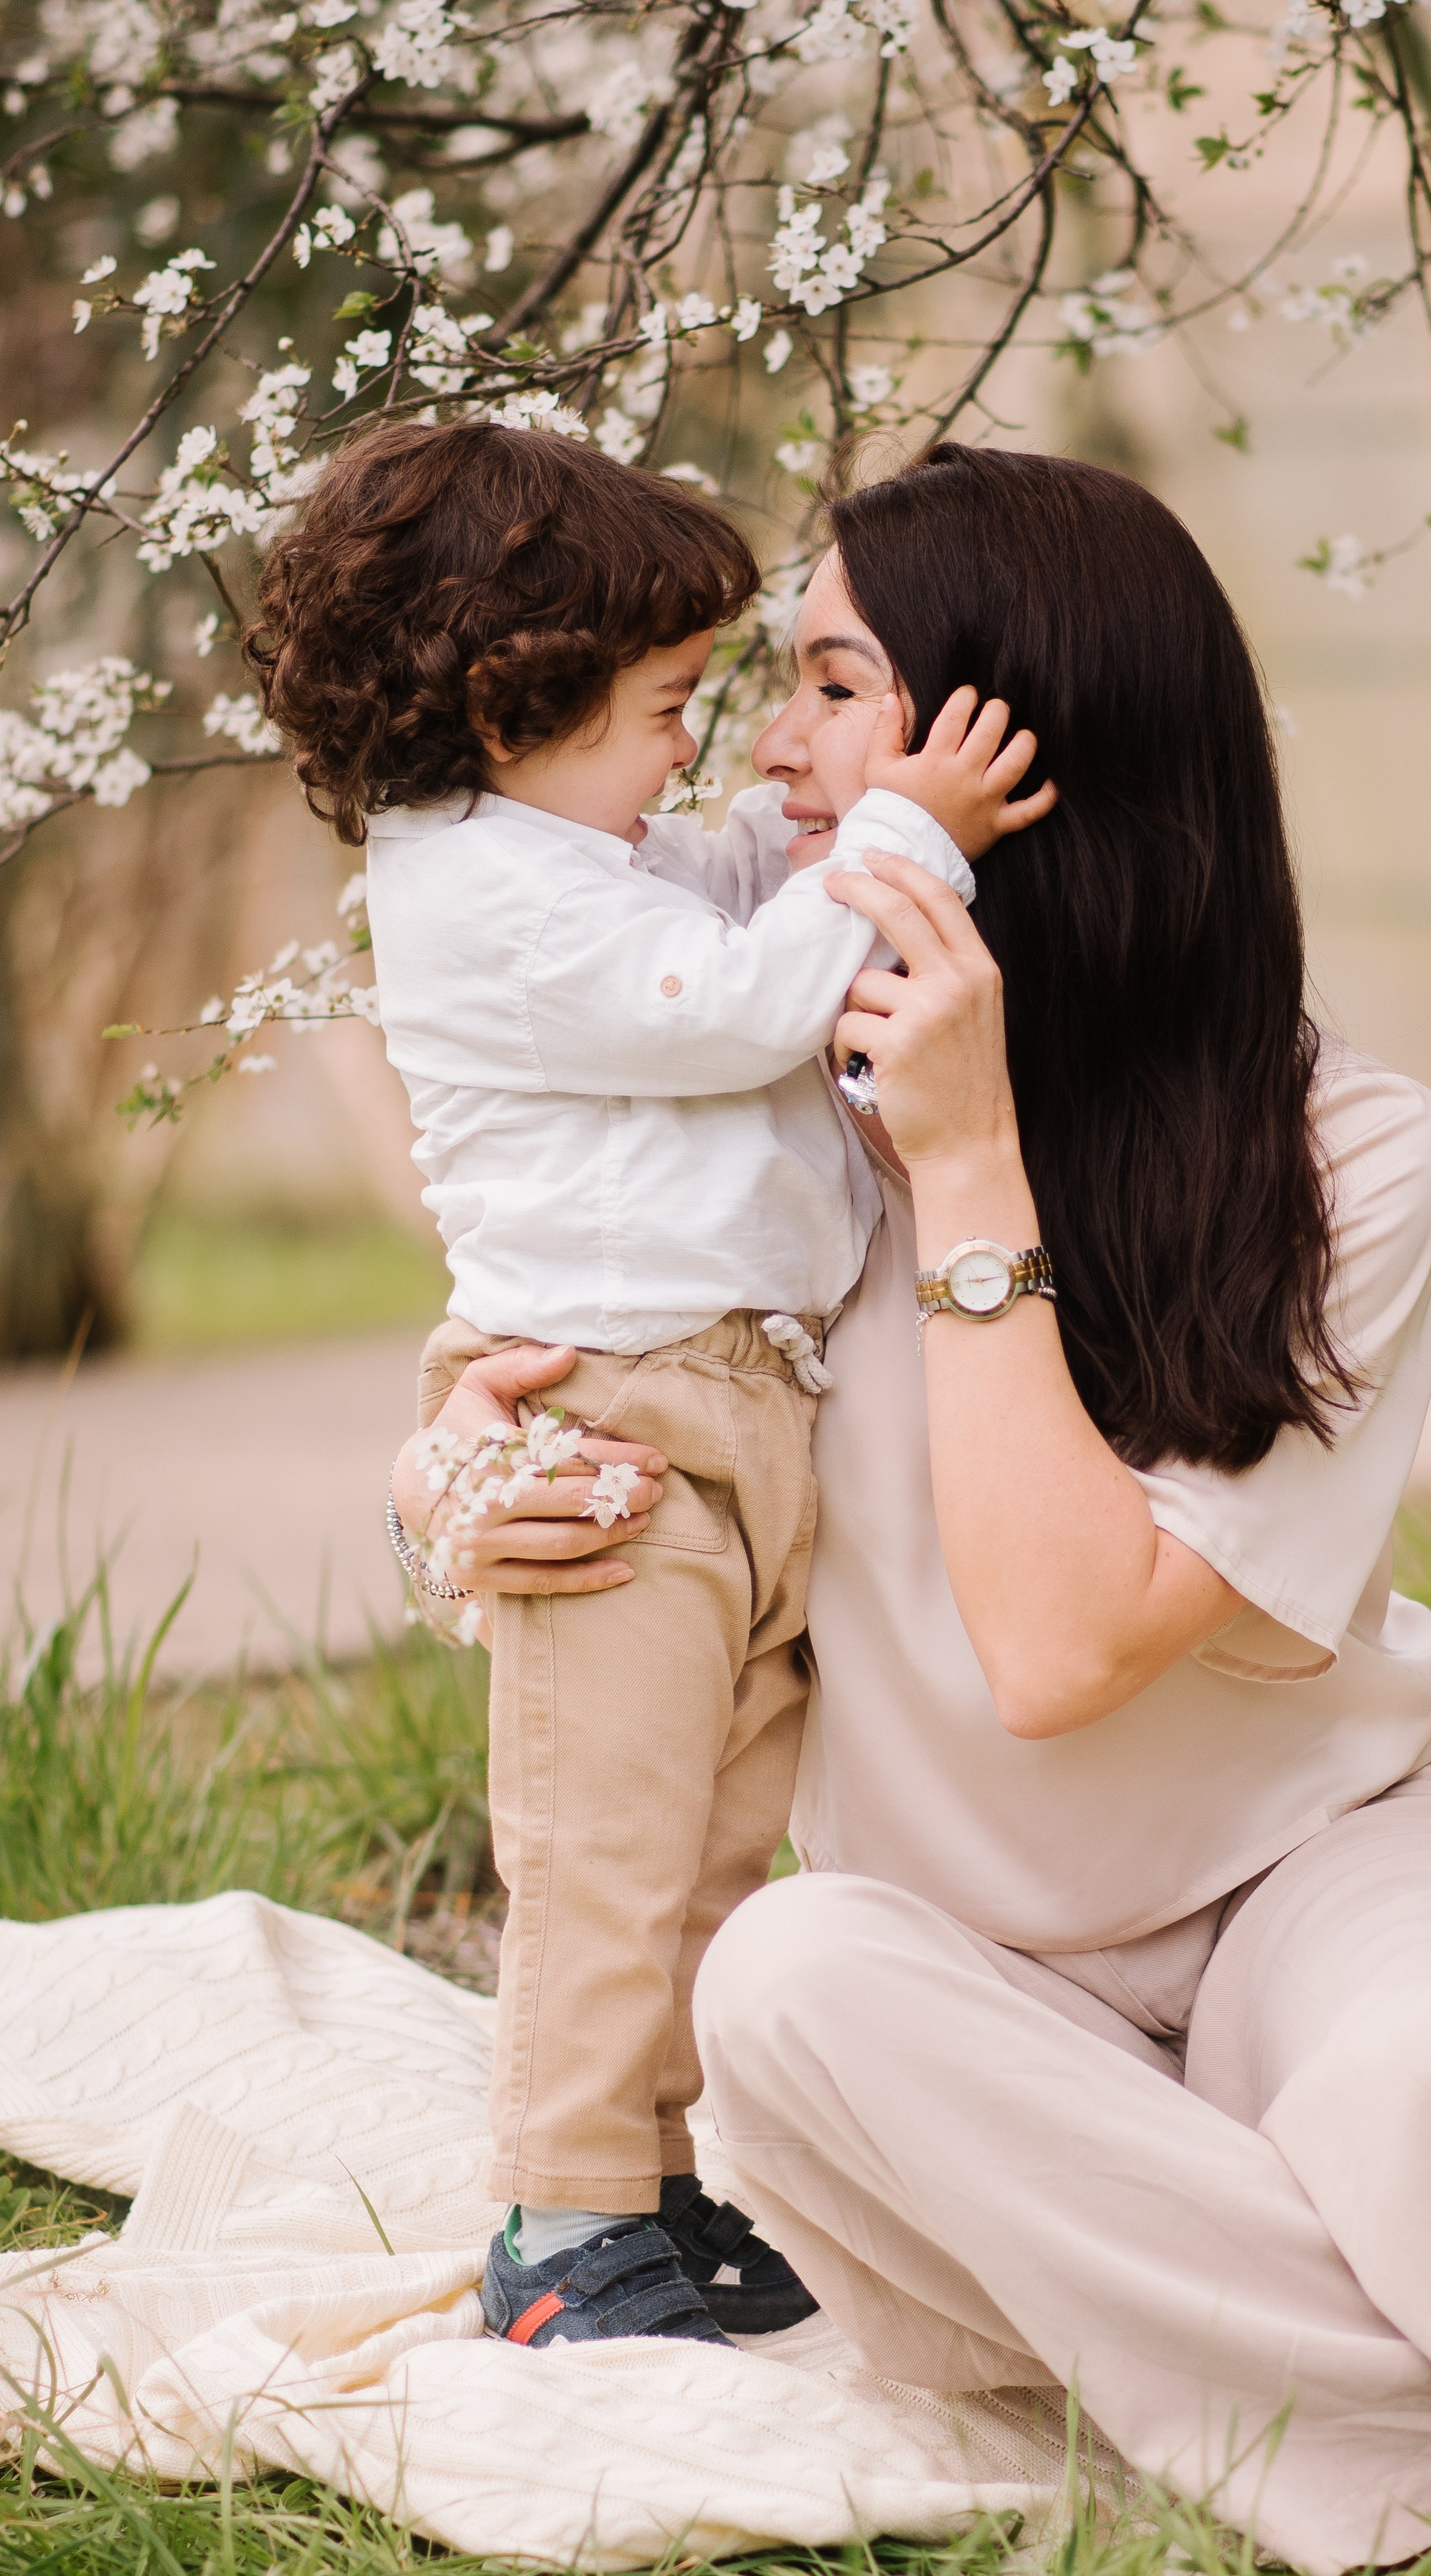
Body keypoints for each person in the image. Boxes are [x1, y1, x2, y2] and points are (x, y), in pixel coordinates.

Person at [388, 443, 1431, 2576]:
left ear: (1020, 755)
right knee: (781, 1978)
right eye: (772, 685)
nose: (775, 747)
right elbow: (531, 1391)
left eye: (841, 685)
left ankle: (1373, 2374)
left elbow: (1067, 1651)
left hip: (1318, 1868)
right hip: (962, 1979)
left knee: (1430, 2084)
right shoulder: (757, 1135)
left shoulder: (1353, 1149)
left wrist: (971, 1173)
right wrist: (463, 1488)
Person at [253, 421, 1050, 2350]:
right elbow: (748, 998)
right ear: (515, 704)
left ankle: (653, 2182)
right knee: (608, 1844)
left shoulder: (571, 852)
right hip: (616, 1413)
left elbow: (738, 885)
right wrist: (904, 833)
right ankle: (559, 2214)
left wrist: (839, 820)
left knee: (711, 1841)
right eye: (670, 708)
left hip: (727, 1408)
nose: (704, 750)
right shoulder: (476, 893)